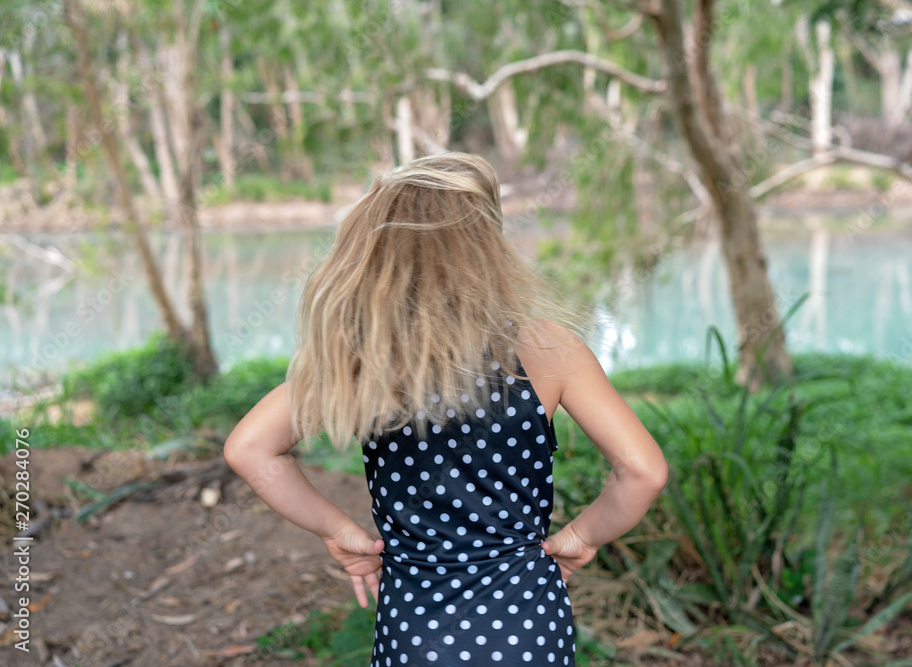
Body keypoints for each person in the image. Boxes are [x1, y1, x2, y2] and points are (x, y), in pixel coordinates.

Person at [224, 152, 668, 666]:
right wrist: (581, 538)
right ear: (488, 246)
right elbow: (643, 472)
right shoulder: (546, 349)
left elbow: (250, 449)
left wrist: (337, 530)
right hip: (528, 624)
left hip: (417, 630)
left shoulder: (367, 356)